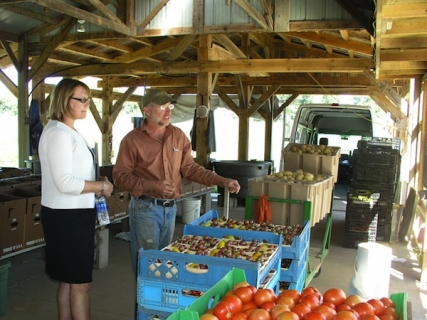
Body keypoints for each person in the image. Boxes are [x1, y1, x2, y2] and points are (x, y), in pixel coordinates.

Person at [113, 89, 241, 275]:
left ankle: (157, 302)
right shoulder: (132, 140)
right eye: (163, 106)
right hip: (145, 208)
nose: (168, 111)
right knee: (148, 266)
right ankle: (144, 303)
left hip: (170, 209)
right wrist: (152, 185)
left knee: (163, 263)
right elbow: (120, 177)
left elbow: (191, 168)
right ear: (146, 110)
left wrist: (221, 181)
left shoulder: (178, 135)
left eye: (170, 106)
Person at [38, 78, 114, 320]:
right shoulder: (59, 133)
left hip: (71, 214)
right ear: (64, 100)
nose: (86, 104)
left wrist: (94, 183)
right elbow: (65, 182)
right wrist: (100, 185)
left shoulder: (65, 130)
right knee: (80, 284)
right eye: (80, 99)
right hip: (67, 217)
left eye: (87, 99)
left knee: (69, 280)